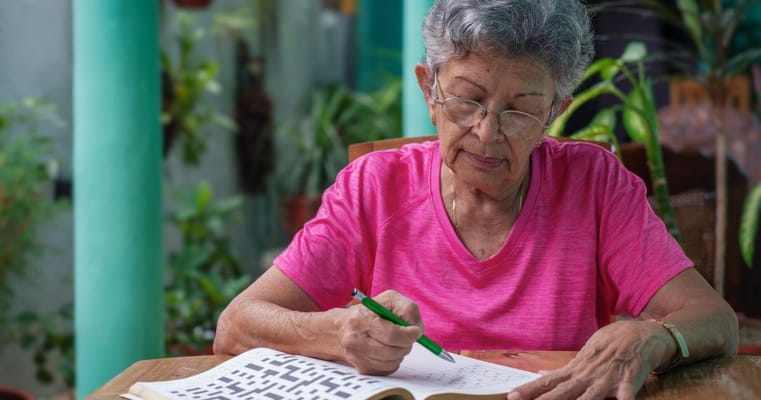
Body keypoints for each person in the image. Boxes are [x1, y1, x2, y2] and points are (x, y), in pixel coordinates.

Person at [214, 0, 738, 398]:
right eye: (467, 100)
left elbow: (714, 318)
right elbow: (236, 326)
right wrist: (335, 331)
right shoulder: (373, 187)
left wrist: (655, 335)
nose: (488, 132)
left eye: (521, 109)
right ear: (429, 90)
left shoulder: (594, 184)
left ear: (555, 111)